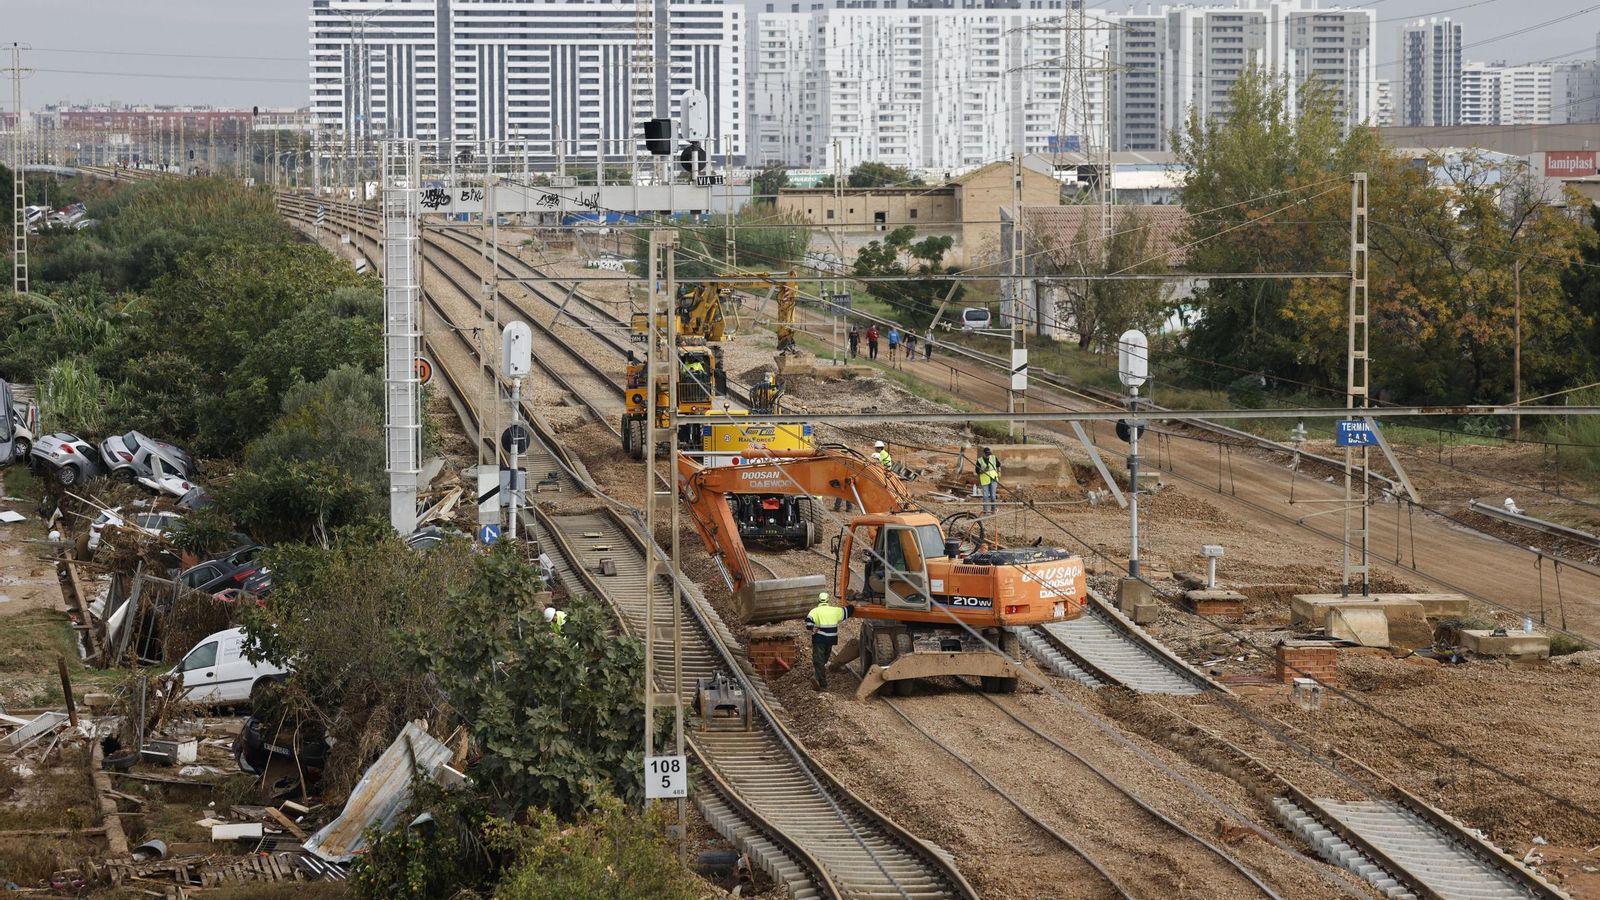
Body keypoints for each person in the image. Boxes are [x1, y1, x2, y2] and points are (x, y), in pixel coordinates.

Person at [805, 591, 848, 689]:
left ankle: (820, 681)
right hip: (830, 639)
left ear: (819, 600)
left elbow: (808, 624)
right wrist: (853, 605)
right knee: (824, 658)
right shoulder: (835, 610)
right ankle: (819, 679)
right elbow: (847, 612)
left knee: (818, 659)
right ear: (828, 600)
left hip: (819, 639)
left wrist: (812, 628)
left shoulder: (814, 611)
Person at [975, 446, 1001, 516]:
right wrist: (983, 471)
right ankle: (985, 512)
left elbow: (998, 465)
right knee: (985, 496)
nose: (988, 455)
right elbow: (977, 471)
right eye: (986, 454)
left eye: (989, 454)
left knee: (993, 496)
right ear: (984, 453)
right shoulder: (979, 460)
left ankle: (993, 510)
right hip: (985, 480)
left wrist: (999, 471)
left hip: (993, 479)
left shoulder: (993, 457)